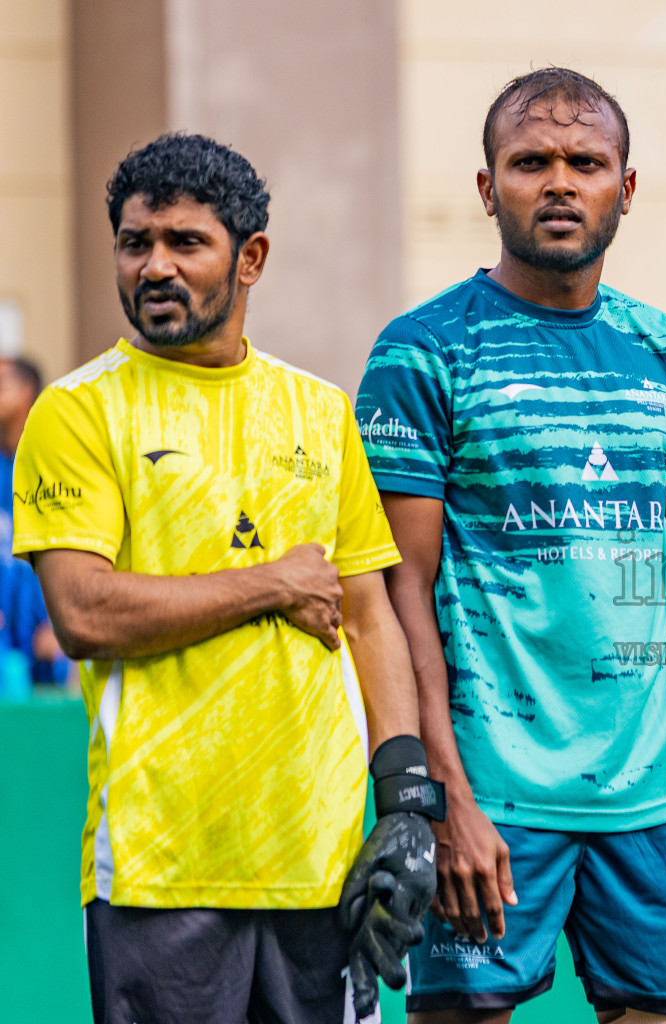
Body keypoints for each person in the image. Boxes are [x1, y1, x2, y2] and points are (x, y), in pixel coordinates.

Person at [356, 68, 666, 1023]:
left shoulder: (661, 347)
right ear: (489, 189)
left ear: (626, 187)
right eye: (531, 162)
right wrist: (443, 795)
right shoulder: (423, 350)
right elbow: (396, 590)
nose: (560, 182)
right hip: (496, 789)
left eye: (587, 162)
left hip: (657, 793)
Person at [14, 133, 441, 1024]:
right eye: (136, 243)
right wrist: (273, 584)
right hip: (159, 872)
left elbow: (368, 618)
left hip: (327, 872)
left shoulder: (321, 413)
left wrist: (404, 805)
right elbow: (85, 610)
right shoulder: (79, 411)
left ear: (250, 258)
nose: (154, 266)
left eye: (185, 243)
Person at [0, 356, 65, 693]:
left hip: (47, 639)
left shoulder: (56, 460)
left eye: (2, 384)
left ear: (27, 393)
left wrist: (59, 622)